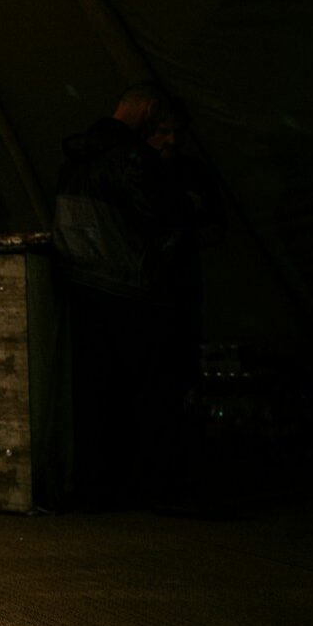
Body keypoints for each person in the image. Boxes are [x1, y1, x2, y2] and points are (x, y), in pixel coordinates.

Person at [53, 82, 200, 509]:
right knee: (144, 394)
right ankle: (151, 489)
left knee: (93, 395)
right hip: (125, 286)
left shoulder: (75, 156)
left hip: (78, 284)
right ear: (150, 110)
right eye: (161, 123)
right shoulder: (133, 158)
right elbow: (166, 214)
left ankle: (97, 488)